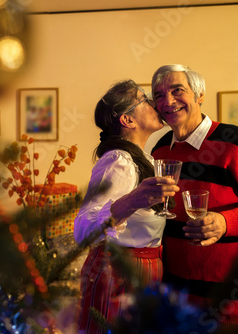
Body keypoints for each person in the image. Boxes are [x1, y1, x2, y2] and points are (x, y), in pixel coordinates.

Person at [150, 64, 238, 330]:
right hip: (175, 304)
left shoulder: (237, 143)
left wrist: (226, 223)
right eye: (159, 95)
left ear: (199, 95)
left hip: (229, 307)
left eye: (178, 90)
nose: (168, 101)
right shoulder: (159, 149)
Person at [74, 80, 179, 333]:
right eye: (145, 99)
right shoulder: (119, 161)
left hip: (143, 271)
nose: (156, 103)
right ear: (127, 120)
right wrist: (133, 201)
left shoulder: (145, 160)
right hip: (116, 274)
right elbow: (82, 229)